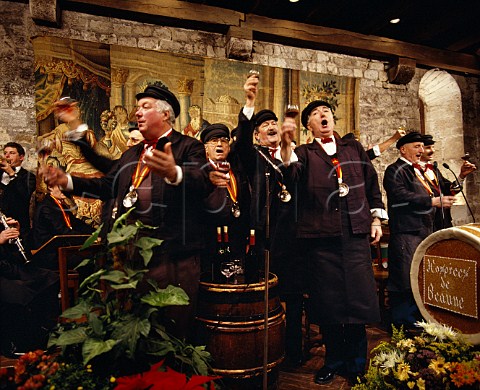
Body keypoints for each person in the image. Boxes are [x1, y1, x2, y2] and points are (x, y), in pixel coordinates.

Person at [41, 85, 211, 340]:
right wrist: (67, 181)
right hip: (129, 256)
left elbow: (203, 181)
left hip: (172, 257)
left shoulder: (188, 147)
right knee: (132, 332)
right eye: (137, 107)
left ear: (166, 114)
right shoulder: (132, 153)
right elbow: (108, 184)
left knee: (171, 332)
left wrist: (174, 172)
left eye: (146, 107)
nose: (137, 113)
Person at [283, 100, 387, 385]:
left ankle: (356, 363)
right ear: (309, 125)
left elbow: (371, 184)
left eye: (326, 111)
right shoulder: (303, 153)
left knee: (357, 301)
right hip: (320, 236)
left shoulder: (353, 149)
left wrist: (376, 219)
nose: (323, 115)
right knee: (329, 303)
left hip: (354, 234)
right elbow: (290, 177)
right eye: (316, 114)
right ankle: (333, 360)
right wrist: (286, 145)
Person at [232, 72, 303, 367]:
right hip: (265, 239)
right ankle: (266, 353)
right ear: (257, 134)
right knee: (267, 298)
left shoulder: (293, 155)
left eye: (274, 123)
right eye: (265, 125)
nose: (271, 126)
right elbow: (242, 146)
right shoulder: (253, 156)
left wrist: (287, 146)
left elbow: (295, 177)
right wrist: (250, 102)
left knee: (294, 298)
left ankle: (294, 353)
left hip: (296, 237)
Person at [383, 131, 456, 332]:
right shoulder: (394, 170)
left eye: (422, 147)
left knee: (423, 277)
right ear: (403, 149)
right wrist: (431, 201)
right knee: (405, 278)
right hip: (407, 231)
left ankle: (421, 320)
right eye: (417, 146)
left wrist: (463, 176)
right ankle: (402, 324)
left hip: (427, 230)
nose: (421, 150)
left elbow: (443, 190)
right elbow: (399, 195)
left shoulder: (423, 170)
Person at [0, 218, 59, 355]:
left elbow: (24, 256)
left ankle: (44, 332)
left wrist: (18, 234)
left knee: (50, 278)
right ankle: (14, 343)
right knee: (21, 291)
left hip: (11, 269)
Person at [201, 123, 250, 263]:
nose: (219, 144)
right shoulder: (201, 172)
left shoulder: (238, 172)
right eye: (214, 141)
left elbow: (246, 202)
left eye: (223, 140)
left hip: (236, 236)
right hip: (208, 236)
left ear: (229, 147)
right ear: (205, 148)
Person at [419, 134, 476, 230]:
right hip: (426, 223)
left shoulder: (434, 169)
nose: (432, 151)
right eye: (428, 147)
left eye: (433, 147)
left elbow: (451, 190)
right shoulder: (412, 172)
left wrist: (462, 176)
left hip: (443, 221)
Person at [31, 184, 94, 269]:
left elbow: (76, 224)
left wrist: (96, 232)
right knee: (90, 260)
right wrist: (90, 239)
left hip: (62, 250)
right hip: (50, 254)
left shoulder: (59, 204)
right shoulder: (46, 207)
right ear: (50, 187)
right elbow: (62, 232)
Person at [0, 142, 36, 239]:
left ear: (21, 157)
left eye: (12, 153)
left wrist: (11, 173)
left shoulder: (29, 177)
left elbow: (24, 194)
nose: (7, 156)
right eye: (5, 153)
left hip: (19, 228)